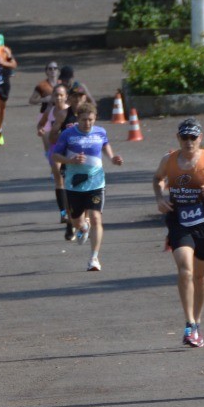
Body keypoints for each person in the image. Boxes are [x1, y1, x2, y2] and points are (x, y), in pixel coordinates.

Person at [151, 118, 204, 348]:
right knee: (185, 269)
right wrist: (159, 198)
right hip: (179, 221)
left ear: (200, 138)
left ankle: (197, 321)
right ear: (178, 138)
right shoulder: (169, 160)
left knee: (201, 275)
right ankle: (188, 324)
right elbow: (157, 179)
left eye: (193, 137)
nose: (189, 142)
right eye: (184, 137)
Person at [49, 102, 123, 271]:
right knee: (76, 221)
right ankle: (83, 227)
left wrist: (113, 158)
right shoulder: (68, 134)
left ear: (95, 118)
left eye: (90, 119)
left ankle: (94, 258)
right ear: (77, 119)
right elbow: (55, 156)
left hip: (96, 183)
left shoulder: (100, 132)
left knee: (96, 218)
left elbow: (105, 145)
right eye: (83, 120)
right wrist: (70, 160)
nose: (87, 123)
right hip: (74, 185)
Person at [29, 64, 70, 226]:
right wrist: (40, 130)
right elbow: (41, 124)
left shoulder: (72, 111)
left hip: (71, 149)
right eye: (56, 95)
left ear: (66, 96)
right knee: (59, 180)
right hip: (56, 149)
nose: (58, 98)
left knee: (71, 181)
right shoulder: (50, 111)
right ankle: (63, 212)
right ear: (52, 96)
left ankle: (73, 208)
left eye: (61, 95)